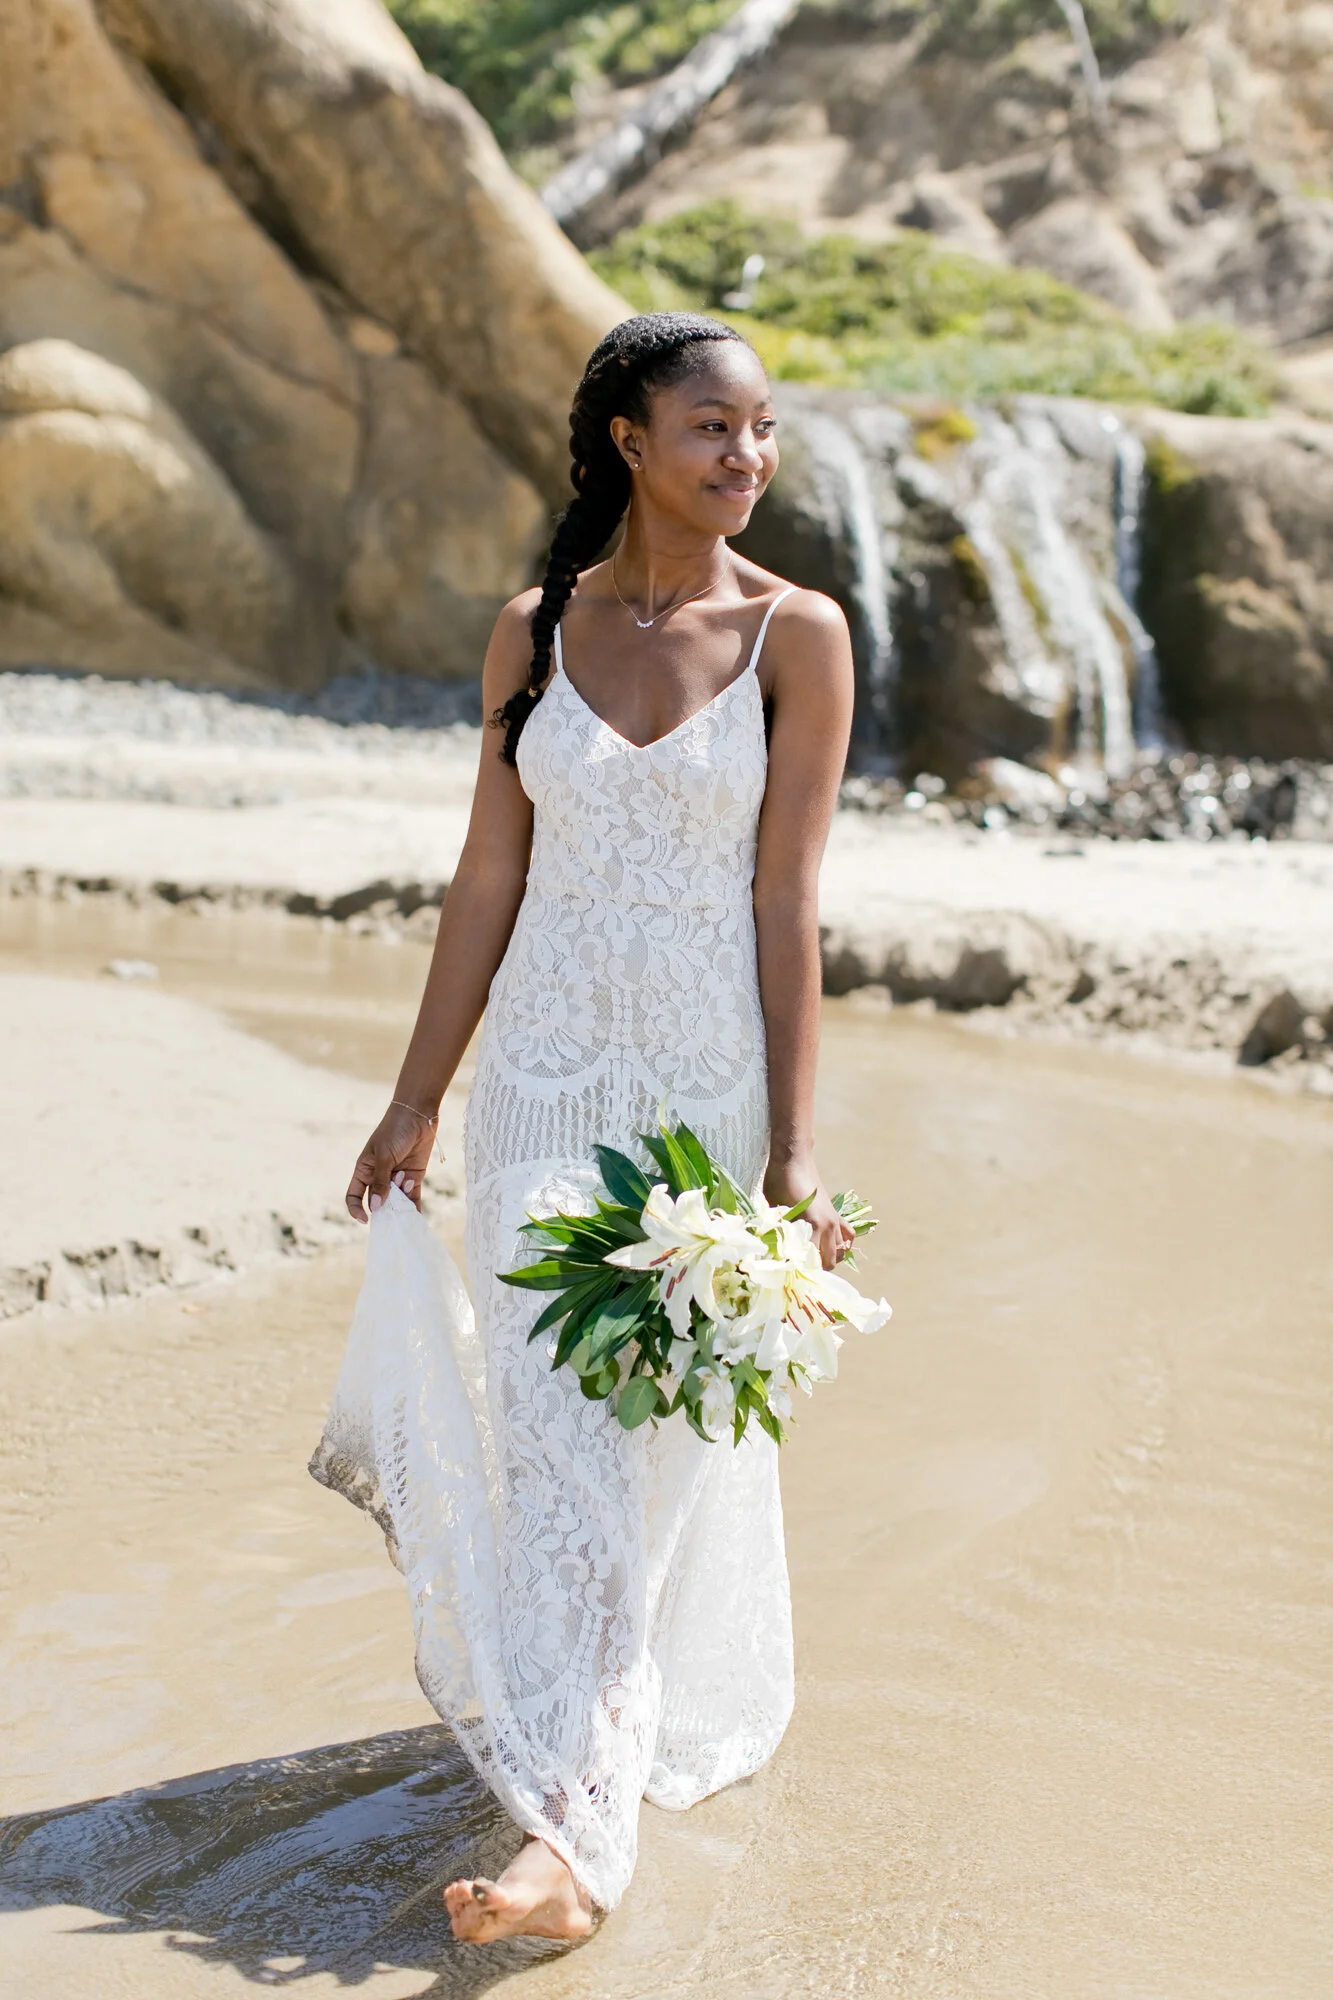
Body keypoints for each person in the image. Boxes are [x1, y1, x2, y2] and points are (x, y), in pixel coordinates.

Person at [314, 311, 855, 1943]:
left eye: (759, 430)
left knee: (644, 1460)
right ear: (628, 436)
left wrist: (794, 1153)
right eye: (710, 425)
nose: (744, 457)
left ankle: (568, 1805)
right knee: (555, 1434)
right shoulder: (529, 631)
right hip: (541, 1084)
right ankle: (575, 1832)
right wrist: (418, 1096)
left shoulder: (798, 636)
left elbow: (789, 899)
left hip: (698, 1097)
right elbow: (489, 877)